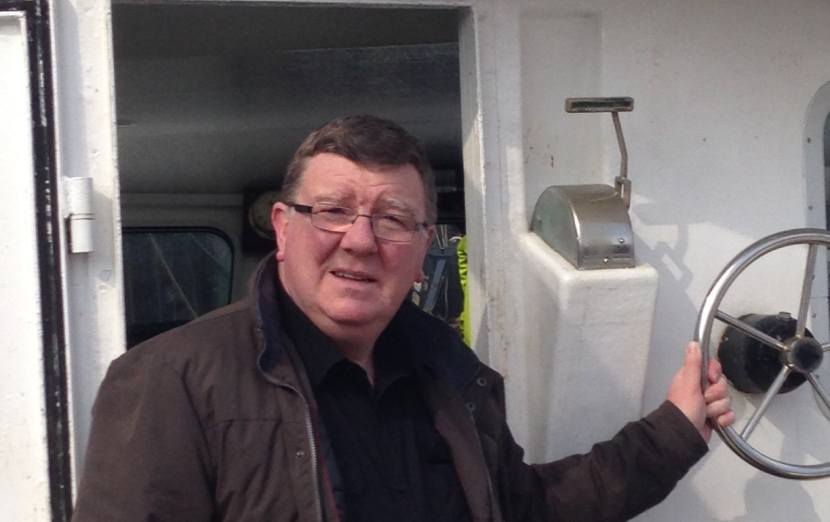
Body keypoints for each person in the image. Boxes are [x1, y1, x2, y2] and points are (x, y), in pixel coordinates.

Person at [72, 115, 734, 522]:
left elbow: (529, 510)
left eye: (392, 220)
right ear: (283, 228)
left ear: (422, 252)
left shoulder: (451, 375)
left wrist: (674, 430)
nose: (360, 241)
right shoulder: (170, 380)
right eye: (333, 211)